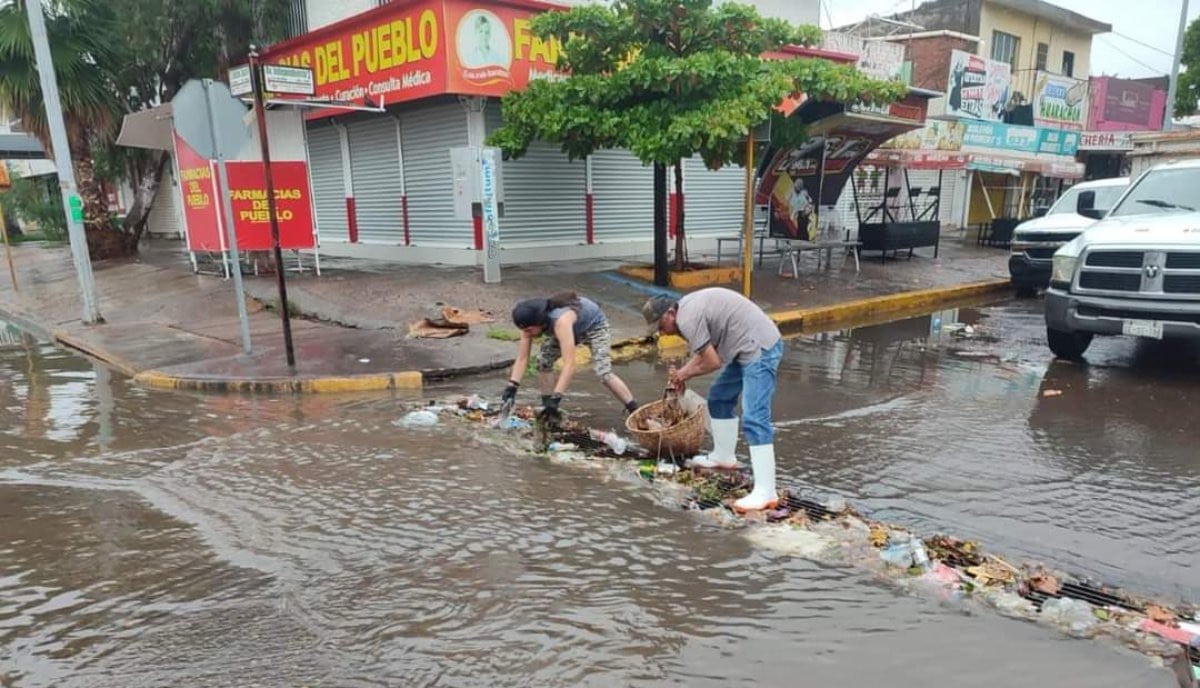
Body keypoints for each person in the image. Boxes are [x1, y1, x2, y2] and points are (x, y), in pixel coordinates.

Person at [642, 288, 783, 512]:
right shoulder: (686, 311)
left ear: (670, 313)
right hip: (743, 348)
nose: (662, 333)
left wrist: (684, 374)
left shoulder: (687, 319)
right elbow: (704, 353)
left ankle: (766, 491)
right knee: (719, 398)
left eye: (661, 326)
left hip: (760, 348)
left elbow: (712, 362)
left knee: (755, 418)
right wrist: (681, 374)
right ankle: (723, 457)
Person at [502, 292, 638, 424]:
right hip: (567, 328)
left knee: (603, 372)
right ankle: (547, 409)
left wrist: (557, 397)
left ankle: (634, 410)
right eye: (525, 330)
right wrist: (511, 387)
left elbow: (569, 365)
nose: (526, 334)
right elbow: (522, 358)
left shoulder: (561, 321)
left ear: (539, 323)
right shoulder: (528, 321)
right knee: (543, 363)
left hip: (593, 327)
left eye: (529, 330)